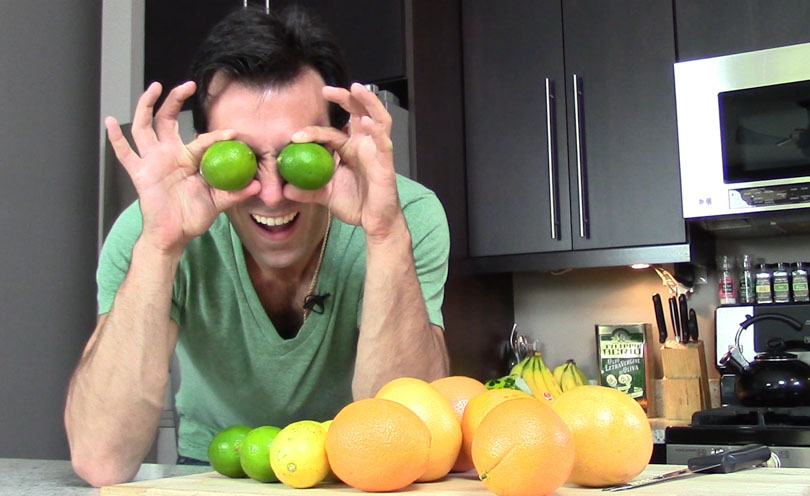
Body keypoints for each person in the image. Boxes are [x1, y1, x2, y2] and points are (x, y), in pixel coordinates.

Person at [64, 5, 450, 487]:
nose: (270, 194)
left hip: (357, 471)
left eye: (295, 156)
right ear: (205, 150)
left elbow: (409, 433)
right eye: (243, 159)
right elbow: (101, 460)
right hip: (213, 469)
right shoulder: (148, 230)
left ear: (340, 143)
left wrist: (384, 235)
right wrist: (159, 248)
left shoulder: (405, 217)